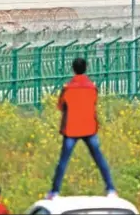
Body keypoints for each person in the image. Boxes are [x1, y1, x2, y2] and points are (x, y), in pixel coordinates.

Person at [45, 58, 117, 200]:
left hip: (71, 128)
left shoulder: (68, 88)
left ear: (73, 69)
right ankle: (111, 189)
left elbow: (60, 106)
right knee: (99, 158)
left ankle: (54, 192)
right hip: (89, 128)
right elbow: (94, 103)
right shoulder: (92, 88)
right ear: (85, 68)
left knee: (63, 161)